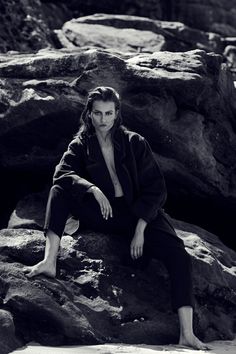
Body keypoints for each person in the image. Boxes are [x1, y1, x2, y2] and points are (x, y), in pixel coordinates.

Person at [23, 86, 210, 350]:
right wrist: (92, 188)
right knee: (59, 190)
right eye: (97, 113)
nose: (103, 120)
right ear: (89, 114)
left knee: (179, 255)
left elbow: (156, 189)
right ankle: (49, 260)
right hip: (105, 213)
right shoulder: (81, 144)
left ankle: (187, 334)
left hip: (139, 213)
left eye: (108, 113)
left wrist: (141, 228)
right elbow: (62, 174)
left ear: (117, 113)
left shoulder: (135, 142)